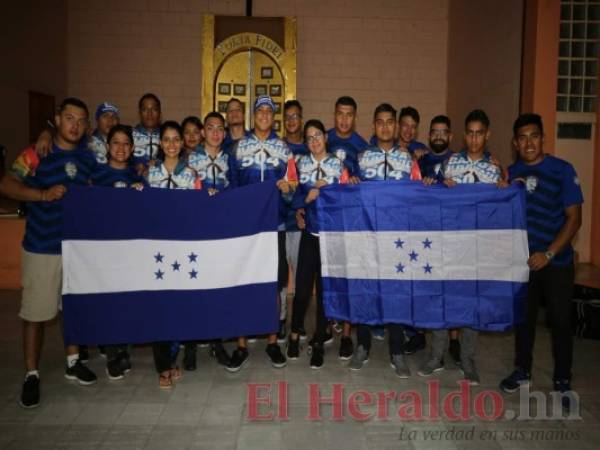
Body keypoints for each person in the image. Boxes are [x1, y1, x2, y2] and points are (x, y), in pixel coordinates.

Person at [0, 97, 99, 408]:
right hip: (43, 246)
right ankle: (32, 373)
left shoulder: (86, 158)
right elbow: (7, 184)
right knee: (36, 313)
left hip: (76, 249)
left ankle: (73, 363)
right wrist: (41, 195)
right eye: (70, 118)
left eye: (81, 121)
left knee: (72, 308)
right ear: (57, 120)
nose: (75, 125)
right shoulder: (37, 152)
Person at [500, 113, 583, 411]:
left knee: (560, 321)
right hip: (523, 262)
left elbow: (575, 219)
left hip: (556, 261)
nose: (529, 142)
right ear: (515, 142)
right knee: (524, 320)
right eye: (522, 138)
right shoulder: (511, 173)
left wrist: (548, 254)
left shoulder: (562, 170)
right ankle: (522, 370)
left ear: (543, 138)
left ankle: (562, 379)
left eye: (534, 136)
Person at [418, 109, 505, 386]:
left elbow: (500, 208)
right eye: (470, 132)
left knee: (471, 305)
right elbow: (436, 198)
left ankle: (467, 359)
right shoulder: (451, 163)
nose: (474, 138)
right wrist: (439, 185)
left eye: (480, 133)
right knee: (442, 300)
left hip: (478, 248)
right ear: (464, 134)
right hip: (450, 244)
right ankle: (437, 356)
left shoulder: (494, 169)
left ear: (487, 134)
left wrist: (504, 189)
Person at [348, 103, 422, 378]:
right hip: (368, 235)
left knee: (396, 293)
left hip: (398, 239)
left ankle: (397, 351)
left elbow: (418, 196)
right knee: (366, 291)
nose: (385, 126)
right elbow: (349, 191)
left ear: (395, 125)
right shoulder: (362, 157)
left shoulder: (409, 159)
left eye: (390, 122)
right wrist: (352, 181)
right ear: (374, 126)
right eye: (380, 122)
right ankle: (363, 346)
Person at [227, 95, 296, 372]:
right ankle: (241, 346)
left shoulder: (284, 149)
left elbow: (293, 187)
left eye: (269, 110)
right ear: (253, 116)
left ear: (273, 116)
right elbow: (231, 185)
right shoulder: (238, 147)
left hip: (275, 226)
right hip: (246, 229)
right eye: (260, 110)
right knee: (244, 281)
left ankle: (271, 341)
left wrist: (286, 190)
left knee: (275, 283)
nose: (265, 114)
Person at [287, 119, 349, 369]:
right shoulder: (300, 164)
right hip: (310, 235)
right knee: (301, 291)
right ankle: (293, 335)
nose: (314, 141)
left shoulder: (338, 164)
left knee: (325, 293)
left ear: (325, 137)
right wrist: (307, 197)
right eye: (309, 137)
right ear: (306, 142)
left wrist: (330, 187)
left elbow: (348, 198)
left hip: (331, 238)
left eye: (318, 135)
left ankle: (319, 340)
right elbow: (291, 198)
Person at [146, 120, 201, 388]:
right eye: (165, 139)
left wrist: (207, 195)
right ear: (161, 144)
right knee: (159, 306)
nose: (170, 144)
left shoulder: (191, 175)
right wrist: (137, 192)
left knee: (180, 305)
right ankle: (162, 366)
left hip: (182, 248)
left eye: (175, 139)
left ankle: (173, 356)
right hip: (158, 250)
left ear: (181, 143)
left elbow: (198, 209)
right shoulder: (150, 174)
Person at [90, 124, 143, 380]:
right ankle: (113, 354)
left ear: (132, 148)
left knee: (129, 302)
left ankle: (125, 349)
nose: (121, 148)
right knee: (109, 302)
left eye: (126, 144)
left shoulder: (137, 177)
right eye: (116, 143)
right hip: (104, 250)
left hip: (130, 250)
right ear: (108, 146)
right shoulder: (96, 176)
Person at [408, 115, 459, 359]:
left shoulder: (460, 161)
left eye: (443, 132)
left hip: (451, 233)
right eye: (434, 132)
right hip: (425, 233)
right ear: (429, 135)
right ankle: (419, 335)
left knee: (451, 289)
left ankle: (455, 341)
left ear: (450, 136)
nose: (439, 136)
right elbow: (410, 189)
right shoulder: (421, 160)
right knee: (424, 286)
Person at [326, 95, 368, 359]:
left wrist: (357, 181)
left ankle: (346, 334)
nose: (344, 119)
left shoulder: (362, 146)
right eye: (340, 114)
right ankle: (329, 324)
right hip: (327, 218)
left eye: (349, 114)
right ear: (334, 115)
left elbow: (367, 183)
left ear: (355, 116)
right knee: (329, 274)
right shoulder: (324, 138)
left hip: (350, 221)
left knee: (348, 275)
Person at [281, 100, 308, 342]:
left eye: (296, 116)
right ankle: (279, 321)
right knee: (280, 277)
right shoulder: (278, 149)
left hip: (302, 225)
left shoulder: (310, 149)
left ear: (301, 119)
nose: (292, 121)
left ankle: (297, 324)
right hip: (279, 221)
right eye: (288, 117)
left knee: (300, 277)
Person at [132, 93, 162, 174]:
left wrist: (159, 163)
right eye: (145, 109)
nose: (150, 113)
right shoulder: (129, 135)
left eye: (154, 109)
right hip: (134, 183)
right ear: (139, 113)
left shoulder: (167, 136)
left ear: (160, 113)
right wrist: (133, 167)